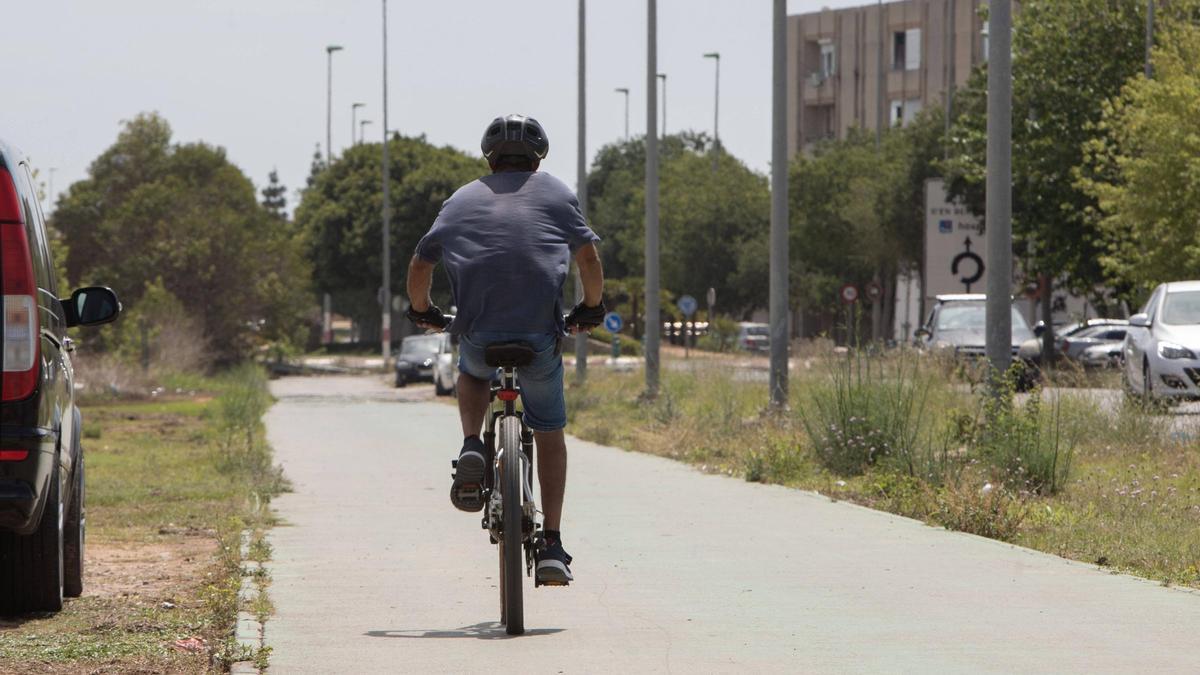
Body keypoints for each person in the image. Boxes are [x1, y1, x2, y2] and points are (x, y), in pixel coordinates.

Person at [405, 114, 605, 585]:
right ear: (538, 158)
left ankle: (472, 444)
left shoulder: (460, 199)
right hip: (538, 335)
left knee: (473, 371)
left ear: (489, 157)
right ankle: (551, 543)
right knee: (549, 431)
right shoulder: (557, 193)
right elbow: (588, 258)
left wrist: (423, 311)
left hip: (480, 331)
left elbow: (420, 264)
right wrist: (591, 307)